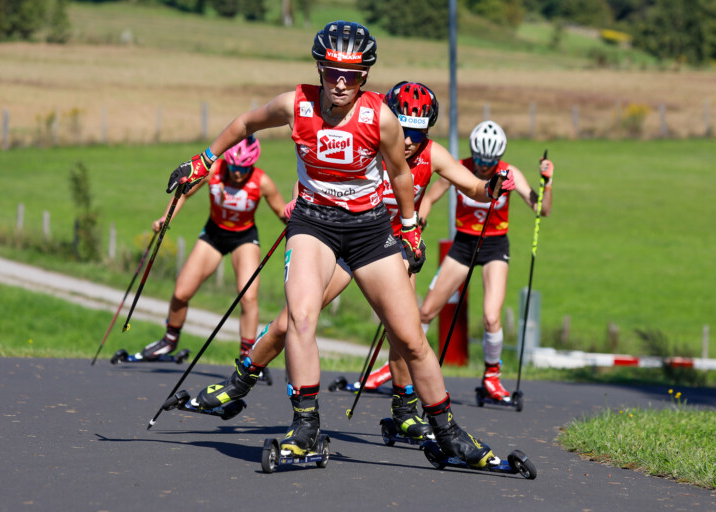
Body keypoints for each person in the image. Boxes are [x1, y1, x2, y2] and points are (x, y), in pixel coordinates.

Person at [166, 20, 506, 469]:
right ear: (320, 68)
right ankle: (303, 425)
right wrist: (204, 160)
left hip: (369, 232)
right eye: (332, 72)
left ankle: (446, 431)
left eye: (352, 73)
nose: (341, 82)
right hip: (315, 225)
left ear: (365, 76)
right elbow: (246, 122)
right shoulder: (296, 104)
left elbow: (403, 174)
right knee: (299, 318)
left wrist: (409, 225)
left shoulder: (380, 119)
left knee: (411, 337)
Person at [413, 120, 554, 403]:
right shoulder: (459, 167)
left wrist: (547, 184)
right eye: (478, 159)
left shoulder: (508, 172)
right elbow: (429, 198)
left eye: (489, 161)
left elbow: (541, 209)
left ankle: (492, 377)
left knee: (491, 316)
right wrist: (419, 222)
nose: (483, 166)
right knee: (425, 312)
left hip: (494, 246)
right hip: (464, 245)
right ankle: (403, 367)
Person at [141, 136, 287, 361]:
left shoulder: (261, 182)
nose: (238, 173)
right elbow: (184, 194)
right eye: (234, 166)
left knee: (248, 297)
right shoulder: (214, 171)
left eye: (244, 167)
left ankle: (249, 357)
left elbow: (281, 213)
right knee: (181, 292)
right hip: (213, 234)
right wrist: (165, 219)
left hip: (244, 238)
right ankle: (169, 341)